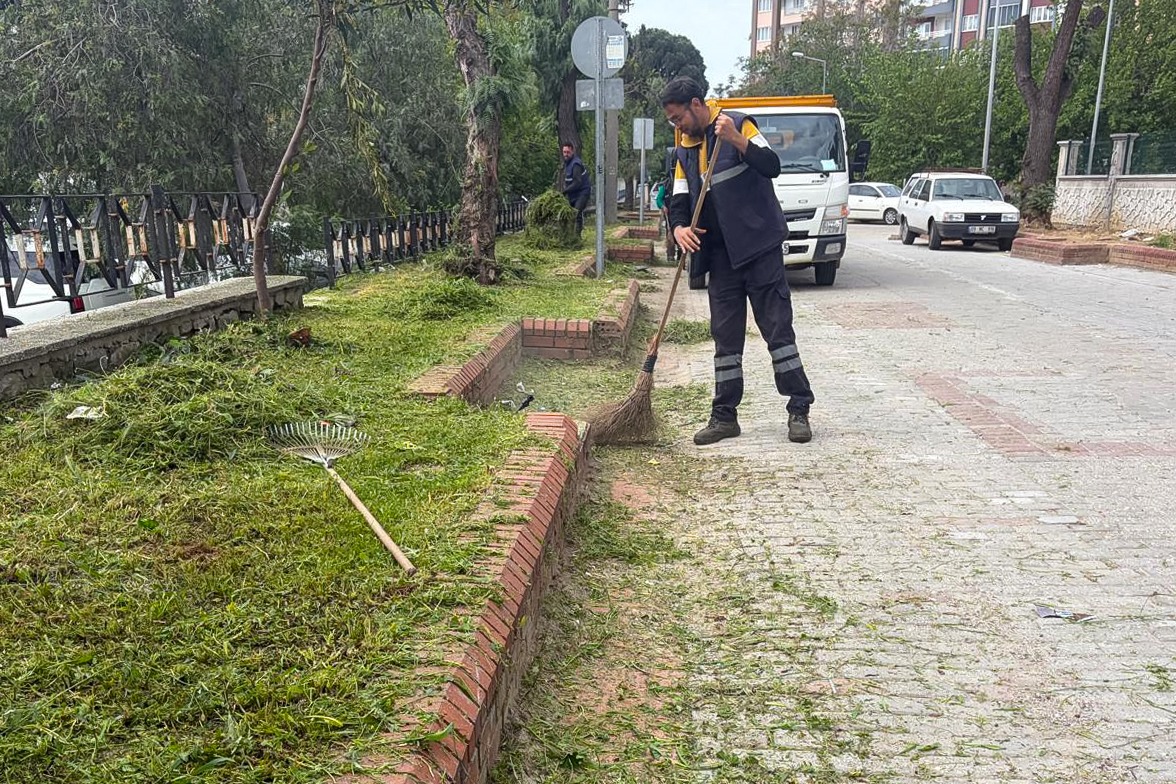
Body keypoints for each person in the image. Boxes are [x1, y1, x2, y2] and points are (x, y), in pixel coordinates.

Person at [661, 76, 815, 446]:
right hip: (721, 256)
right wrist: (679, 227)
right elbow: (681, 197)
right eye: (671, 121)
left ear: (697, 104)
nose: (676, 126)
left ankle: (798, 409)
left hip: (759, 248)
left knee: (778, 333)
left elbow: (772, 165)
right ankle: (724, 416)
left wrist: (736, 140)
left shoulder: (738, 123)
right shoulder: (684, 147)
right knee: (725, 340)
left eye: (678, 117)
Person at [555, 141, 591, 237]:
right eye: (564, 152)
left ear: (572, 151)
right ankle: (569, 235)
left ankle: (577, 237)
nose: (566, 154)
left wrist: (565, 191)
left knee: (576, 212)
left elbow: (577, 182)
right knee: (569, 214)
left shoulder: (576, 164)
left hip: (582, 192)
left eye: (568, 152)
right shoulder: (567, 163)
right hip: (573, 194)